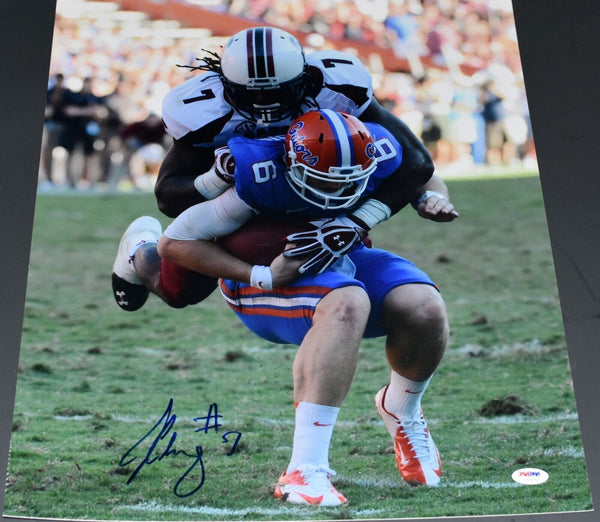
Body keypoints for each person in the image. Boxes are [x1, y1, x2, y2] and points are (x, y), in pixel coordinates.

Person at [113, 110, 458, 505]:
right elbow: (175, 243)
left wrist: (434, 196)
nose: (337, 193)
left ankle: (402, 408)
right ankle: (304, 468)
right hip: (268, 270)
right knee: (346, 301)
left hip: (338, 256)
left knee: (425, 306)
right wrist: (260, 274)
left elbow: (419, 169)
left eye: (351, 180)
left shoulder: (372, 143)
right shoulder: (260, 175)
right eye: (326, 181)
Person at [111, 26, 438, 311]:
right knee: (181, 292)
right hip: (245, 194)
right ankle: (139, 249)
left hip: (317, 192)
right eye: (252, 94)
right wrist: (214, 179)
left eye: (277, 92)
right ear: (225, 83)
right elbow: (168, 198)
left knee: (336, 249)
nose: (266, 106)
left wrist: (355, 222)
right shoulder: (203, 111)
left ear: (304, 77)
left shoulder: (337, 87)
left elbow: (413, 161)